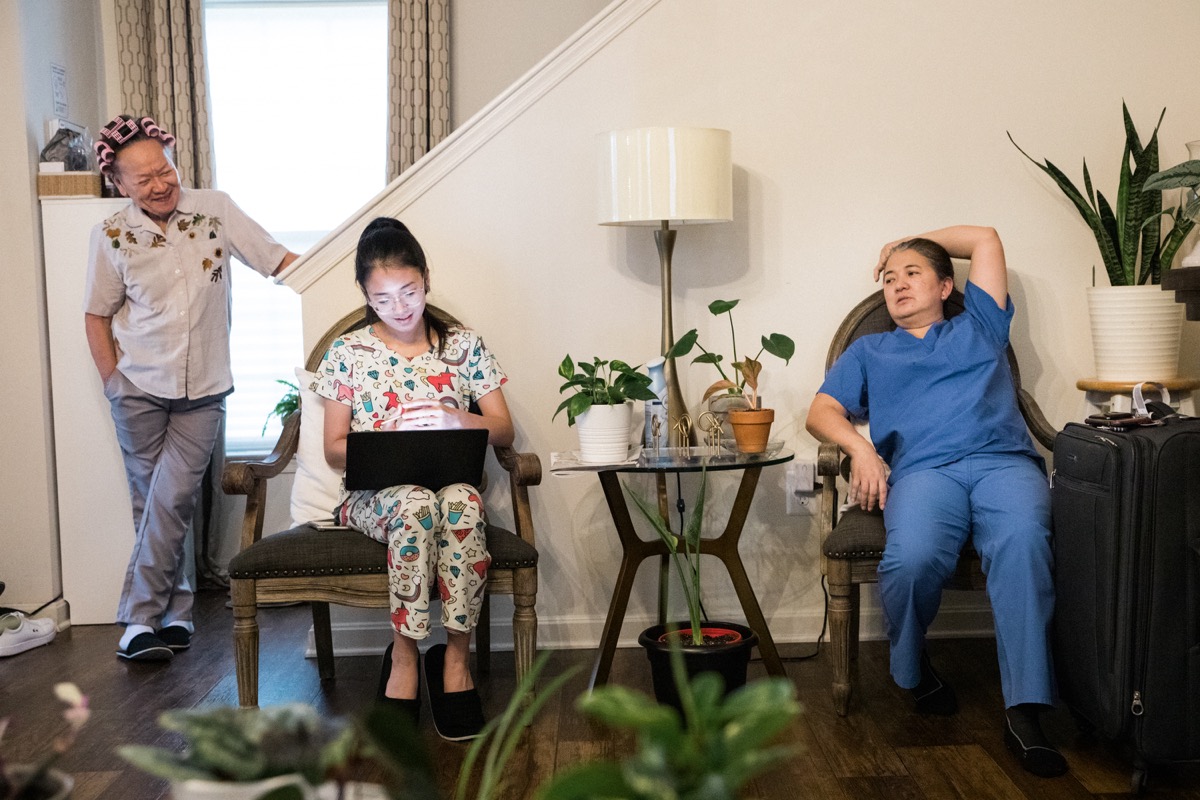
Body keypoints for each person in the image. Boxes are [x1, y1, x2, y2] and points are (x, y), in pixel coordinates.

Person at [805, 226, 1067, 778]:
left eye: (912, 273)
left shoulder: (982, 325)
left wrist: (907, 239)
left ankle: (1025, 710)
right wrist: (862, 450)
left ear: (948, 286)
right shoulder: (870, 350)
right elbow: (822, 411)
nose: (896, 284)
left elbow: (988, 239)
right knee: (913, 558)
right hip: (924, 473)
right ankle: (914, 669)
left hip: (1004, 464)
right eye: (888, 277)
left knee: (1022, 543)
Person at [84, 114, 298, 662]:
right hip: (138, 386)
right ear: (120, 184)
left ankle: (136, 620)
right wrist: (113, 382)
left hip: (203, 389)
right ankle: (174, 614)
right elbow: (97, 315)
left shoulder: (215, 210)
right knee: (152, 502)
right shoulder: (109, 234)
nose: (159, 185)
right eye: (143, 179)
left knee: (171, 497)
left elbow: (277, 260)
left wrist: (355, 274)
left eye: (165, 170)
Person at [315, 217, 513, 741]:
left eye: (410, 291)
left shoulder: (464, 346)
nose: (400, 308)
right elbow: (335, 450)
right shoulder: (348, 353)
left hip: (450, 484)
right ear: (365, 294)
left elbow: (504, 427)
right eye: (383, 299)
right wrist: (385, 438)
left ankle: (455, 662)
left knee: (462, 506)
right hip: (376, 497)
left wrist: (458, 419)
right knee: (417, 506)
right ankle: (404, 657)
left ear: (426, 278)